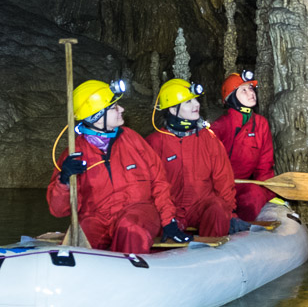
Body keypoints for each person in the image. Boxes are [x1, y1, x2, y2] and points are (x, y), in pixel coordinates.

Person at [49, 79, 191, 253]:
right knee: (84, 232)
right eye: (114, 107)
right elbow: (58, 210)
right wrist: (63, 180)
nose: (122, 109)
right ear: (97, 115)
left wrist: (169, 221)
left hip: (139, 212)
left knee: (130, 228)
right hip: (97, 217)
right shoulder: (74, 154)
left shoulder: (133, 140)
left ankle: (133, 272)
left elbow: (159, 182)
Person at [147, 79, 242, 238]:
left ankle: (212, 254)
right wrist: (167, 219)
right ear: (172, 109)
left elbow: (223, 178)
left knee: (218, 208)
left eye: (196, 99)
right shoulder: (155, 143)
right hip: (170, 210)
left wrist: (229, 212)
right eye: (188, 102)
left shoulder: (208, 138)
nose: (196, 104)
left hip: (201, 206)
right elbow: (152, 186)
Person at [209, 69, 280, 222]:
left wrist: (269, 194)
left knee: (254, 194)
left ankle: (243, 228)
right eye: (243, 90)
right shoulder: (220, 126)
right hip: (218, 187)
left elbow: (265, 166)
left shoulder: (261, 124)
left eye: (251, 88)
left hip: (242, 186)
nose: (251, 93)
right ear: (232, 97)